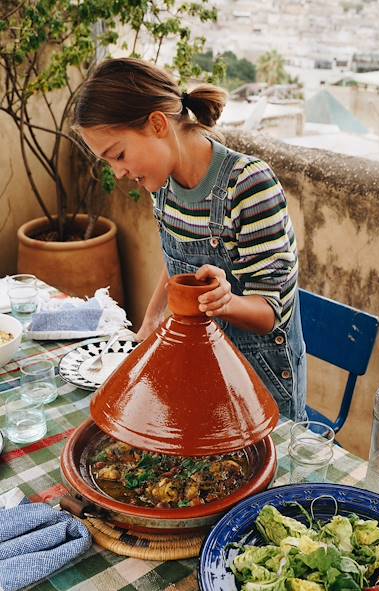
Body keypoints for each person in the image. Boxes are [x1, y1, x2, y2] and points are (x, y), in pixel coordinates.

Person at [74, 57, 307, 421]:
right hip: (205, 373)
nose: (118, 172)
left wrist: (224, 300)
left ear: (156, 124)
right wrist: (148, 325)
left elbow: (269, 314)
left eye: (118, 155)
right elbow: (176, 266)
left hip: (259, 381)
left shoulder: (247, 185)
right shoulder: (163, 186)